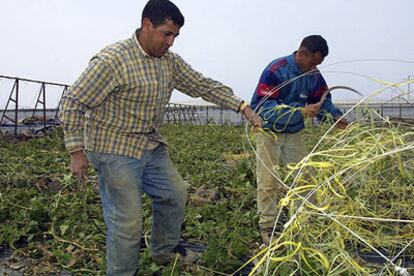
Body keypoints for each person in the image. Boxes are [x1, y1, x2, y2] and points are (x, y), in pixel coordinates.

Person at [59, 0, 261, 274]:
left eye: (176, 36)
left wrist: (243, 108)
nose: (171, 42)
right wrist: (76, 152)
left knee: (175, 193)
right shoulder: (112, 61)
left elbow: (201, 84)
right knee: (127, 223)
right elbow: (73, 102)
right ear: (146, 25)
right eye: (167, 34)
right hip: (113, 147)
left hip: (149, 143)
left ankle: (164, 252)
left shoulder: (169, 62)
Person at [250, 35, 347, 245]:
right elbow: (263, 109)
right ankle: (268, 226)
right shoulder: (276, 70)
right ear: (302, 54)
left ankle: (303, 221)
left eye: (318, 64)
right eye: (313, 62)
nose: (315, 67)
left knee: (305, 177)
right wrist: (301, 112)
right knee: (268, 181)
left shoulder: (313, 75)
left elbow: (323, 101)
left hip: (293, 132)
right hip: (268, 131)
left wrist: (336, 118)